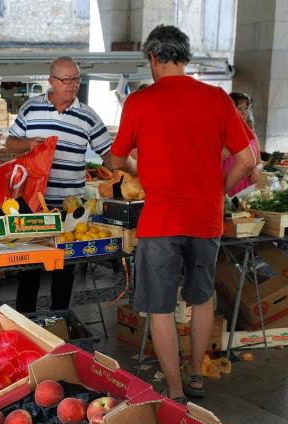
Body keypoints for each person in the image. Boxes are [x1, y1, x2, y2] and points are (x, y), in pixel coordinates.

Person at [109, 25, 256, 403]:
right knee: (201, 298)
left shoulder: (140, 102)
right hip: (205, 218)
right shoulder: (217, 99)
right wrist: (218, 192)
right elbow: (247, 160)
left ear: (153, 59)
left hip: (161, 220)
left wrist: (141, 169)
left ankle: (174, 392)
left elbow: (115, 158)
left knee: (160, 307)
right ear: (186, 58)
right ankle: (196, 377)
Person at [4, 56, 113, 313]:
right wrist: (28, 145)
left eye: (77, 79)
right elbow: (10, 145)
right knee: (29, 270)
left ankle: (59, 322)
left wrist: (129, 168)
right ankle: (25, 323)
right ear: (51, 81)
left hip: (69, 210)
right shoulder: (31, 110)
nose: (73, 85)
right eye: (66, 80)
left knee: (64, 271)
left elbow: (108, 153)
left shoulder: (88, 117)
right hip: (32, 207)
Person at [223, 92, 262, 196]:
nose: (244, 113)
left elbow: (258, 162)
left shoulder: (252, 134)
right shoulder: (221, 134)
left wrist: (256, 169)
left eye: (246, 109)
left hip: (245, 190)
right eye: (240, 108)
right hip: (226, 188)